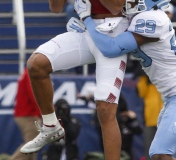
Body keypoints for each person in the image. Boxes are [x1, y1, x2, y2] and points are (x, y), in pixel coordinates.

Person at [69, 0, 176, 159]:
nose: (126, 3)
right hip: (173, 98)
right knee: (162, 156)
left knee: (161, 154)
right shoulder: (137, 18)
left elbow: (110, 48)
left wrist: (86, 19)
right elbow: (108, 35)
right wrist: (86, 31)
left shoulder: (152, 19)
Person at [19, 0, 138, 160]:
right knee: (36, 64)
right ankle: (51, 125)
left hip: (115, 32)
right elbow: (56, 8)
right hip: (85, 29)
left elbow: (116, 7)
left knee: (105, 109)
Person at [10, 68, 41, 160]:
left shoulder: (28, 72)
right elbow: (33, 93)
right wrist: (43, 112)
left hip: (26, 113)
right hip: (29, 115)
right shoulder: (32, 72)